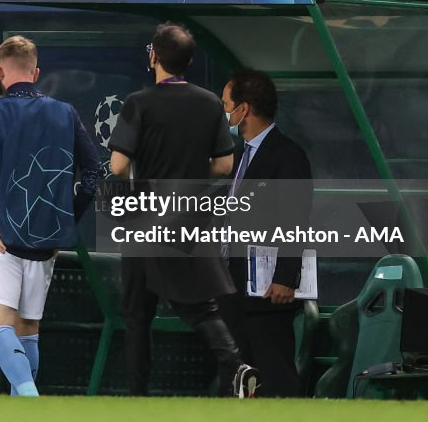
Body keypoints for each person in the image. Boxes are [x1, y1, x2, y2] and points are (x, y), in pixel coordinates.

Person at [108, 23, 259, 398]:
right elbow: (224, 166)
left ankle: (138, 396)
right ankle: (235, 363)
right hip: (189, 216)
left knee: (138, 315)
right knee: (198, 307)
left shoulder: (138, 103)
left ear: (154, 57)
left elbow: (117, 166)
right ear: (189, 61)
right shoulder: (210, 103)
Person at [0, 36, 101, 397]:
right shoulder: (65, 113)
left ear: (0, 72)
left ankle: (28, 398)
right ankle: (22, 413)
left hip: (1, 236)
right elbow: (93, 173)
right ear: (36, 72)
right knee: (27, 328)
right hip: (47, 238)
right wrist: (66, 220)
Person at [217, 68, 313, 398]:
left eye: (226, 103)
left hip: (268, 293)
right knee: (234, 378)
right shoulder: (240, 155)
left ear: (244, 109)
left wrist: (286, 277)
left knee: (275, 376)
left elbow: (295, 219)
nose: (223, 110)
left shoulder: (287, 156)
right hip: (234, 286)